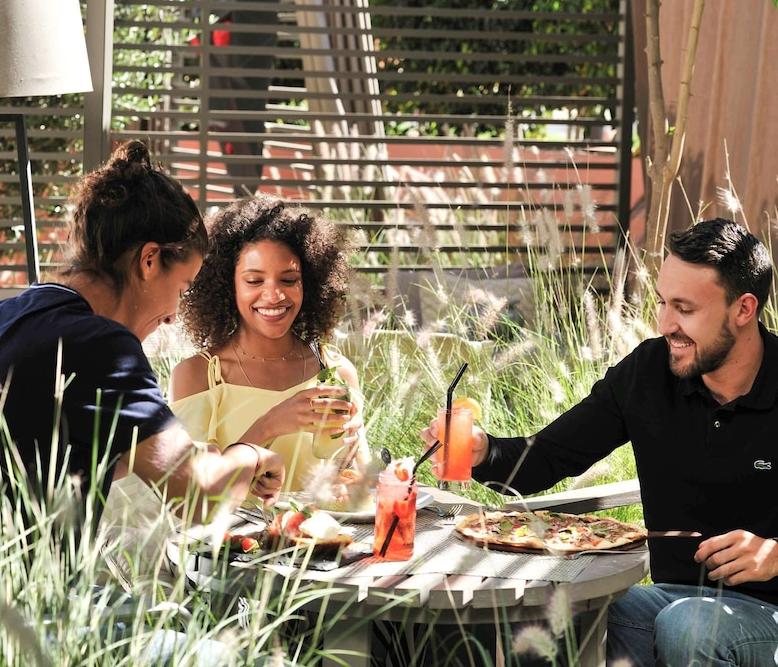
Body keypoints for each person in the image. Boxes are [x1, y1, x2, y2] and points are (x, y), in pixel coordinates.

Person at [421, 217, 778, 666]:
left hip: (764, 615)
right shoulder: (648, 372)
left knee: (688, 628)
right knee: (537, 616)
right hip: (670, 601)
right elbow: (547, 456)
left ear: (743, 309)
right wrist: (483, 451)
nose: (665, 323)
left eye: (685, 309)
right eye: (662, 302)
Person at [0, 141, 285, 556]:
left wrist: (186, 457)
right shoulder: (99, 345)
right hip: (9, 588)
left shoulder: (7, 316)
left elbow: (50, 454)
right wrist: (249, 455)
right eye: (181, 289)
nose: (172, 317)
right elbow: (198, 499)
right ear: (149, 260)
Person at [169, 194, 370, 493]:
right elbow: (188, 493)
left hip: (318, 525)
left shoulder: (334, 371)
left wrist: (349, 465)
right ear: (227, 285)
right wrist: (270, 425)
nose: (274, 295)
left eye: (288, 280)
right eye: (254, 281)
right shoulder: (197, 377)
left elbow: (362, 488)